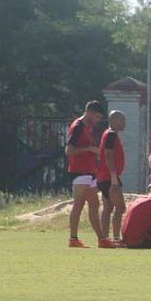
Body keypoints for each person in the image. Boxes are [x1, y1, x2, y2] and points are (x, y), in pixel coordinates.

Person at [65, 101, 106, 248]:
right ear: (88, 112)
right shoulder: (77, 127)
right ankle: (73, 239)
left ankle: (101, 239)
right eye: (96, 116)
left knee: (94, 204)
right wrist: (89, 149)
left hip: (90, 171)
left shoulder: (89, 127)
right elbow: (69, 151)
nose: (97, 120)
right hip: (79, 171)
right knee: (79, 204)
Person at [97, 110, 127, 247]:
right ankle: (115, 238)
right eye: (122, 120)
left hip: (104, 176)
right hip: (109, 177)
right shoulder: (111, 134)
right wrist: (114, 176)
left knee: (108, 207)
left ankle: (104, 239)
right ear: (114, 120)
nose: (124, 123)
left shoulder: (107, 134)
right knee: (120, 207)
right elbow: (108, 155)